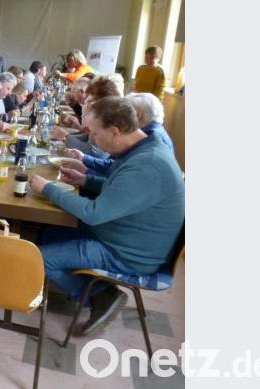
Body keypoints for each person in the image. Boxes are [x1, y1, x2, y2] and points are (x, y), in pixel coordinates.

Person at [29, 96, 184, 335]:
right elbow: (123, 191)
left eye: (94, 133)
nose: (92, 139)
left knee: (37, 258)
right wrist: (85, 180)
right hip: (124, 234)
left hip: (128, 253)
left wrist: (48, 189)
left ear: (114, 132)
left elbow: (93, 213)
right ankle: (83, 287)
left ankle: (99, 294)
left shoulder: (148, 163)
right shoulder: (144, 148)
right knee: (51, 232)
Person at [64, 92, 175, 177]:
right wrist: (85, 159)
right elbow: (116, 166)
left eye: (127, 111)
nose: (123, 116)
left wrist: (86, 173)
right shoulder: (148, 134)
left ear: (137, 114)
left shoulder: (147, 141)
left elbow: (118, 179)